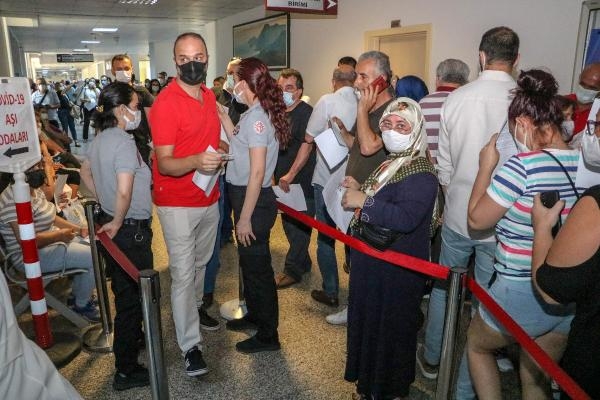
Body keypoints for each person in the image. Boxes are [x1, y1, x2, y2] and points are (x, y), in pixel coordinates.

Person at [466, 69, 580, 399]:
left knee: (476, 346)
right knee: (536, 376)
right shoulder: (585, 162)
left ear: (525, 125)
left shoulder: (522, 167)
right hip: (566, 291)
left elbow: (476, 220)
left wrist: (486, 166)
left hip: (519, 289)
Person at [419, 27, 520, 398]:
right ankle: (492, 356)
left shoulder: (457, 98)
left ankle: (431, 357)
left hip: (460, 213)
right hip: (504, 219)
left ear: (481, 56)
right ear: (516, 60)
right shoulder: (522, 100)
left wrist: (452, 200)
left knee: (446, 287)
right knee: (490, 295)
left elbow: (443, 164)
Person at [342, 98, 438, 400]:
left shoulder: (420, 170)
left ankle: (390, 390)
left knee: (392, 331)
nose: (392, 131)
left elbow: (407, 218)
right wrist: (361, 186)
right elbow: (388, 197)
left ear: (416, 129)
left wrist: (363, 201)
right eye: (387, 124)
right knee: (371, 325)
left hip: (397, 269)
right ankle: (369, 385)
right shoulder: (393, 160)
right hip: (374, 263)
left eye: (401, 126)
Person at [149, 32, 222, 377]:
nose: (192, 63)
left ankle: (193, 308)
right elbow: (164, 163)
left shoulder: (208, 96)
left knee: (201, 263)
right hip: (176, 201)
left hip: (209, 196)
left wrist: (219, 148)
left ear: (207, 58)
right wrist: (195, 160)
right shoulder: (166, 103)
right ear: (175, 61)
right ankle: (190, 346)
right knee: (181, 272)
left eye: (199, 56)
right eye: (184, 58)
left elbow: (210, 136)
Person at [80, 82, 154, 391]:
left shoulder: (99, 139)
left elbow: (84, 173)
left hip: (112, 225)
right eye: (136, 107)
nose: (138, 113)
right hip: (128, 230)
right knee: (132, 300)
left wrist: (105, 204)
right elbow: (125, 188)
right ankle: (125, 371)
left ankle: (131, 346)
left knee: (124, 293)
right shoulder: (123, 142)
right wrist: (119, 216)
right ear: (121, 109)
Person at [218, 57, 291, 353]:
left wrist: (245, 217)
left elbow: (258, 172)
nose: (231, 84)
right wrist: (221, 114)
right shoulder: (252, 114)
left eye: (235, 78)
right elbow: (238, 140)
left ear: (245, 83)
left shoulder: (258, 118)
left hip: (254, 202)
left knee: (259, 271)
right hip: (246, 197)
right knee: (250, 266)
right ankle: (256, 316)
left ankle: (268, 334)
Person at [0, 164, 98, 322]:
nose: (39, 169)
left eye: (38, 165)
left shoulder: (31, 189)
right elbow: (28, 241)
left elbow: (51, 216)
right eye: (32, 168)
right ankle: (81, 305)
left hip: (49, 242)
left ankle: (80, 296)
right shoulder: (11, 200)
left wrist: (80, 230)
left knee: (94, 244)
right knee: (94, 256)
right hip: (28, 256)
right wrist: (58, 236)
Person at [273, 68, 315, 288]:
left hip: (301, 180)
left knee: (298, 225)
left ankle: (292, 270)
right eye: (280, 88)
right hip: (282, 180)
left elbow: (306, 148)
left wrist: (290, 175)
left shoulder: (306, 113)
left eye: (288, 88)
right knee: (288, 224)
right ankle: (303, 262)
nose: (283, 92)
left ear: (299, 91)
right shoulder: (280, 112)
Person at [111, 54, 155, 166]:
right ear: (113, 71)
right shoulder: (107, 93)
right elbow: (100, 119)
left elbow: (152, 121)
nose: (123, 72)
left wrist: (154, 146)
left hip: (141, 145)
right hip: (116, 145)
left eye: (126, 68)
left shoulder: (142, 92)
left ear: (132, 69)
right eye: (119, 69)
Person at [55, 82, 80, 147]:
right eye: (60, 86)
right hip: (62, 112)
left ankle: (76, 141)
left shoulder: (65, 94)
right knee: (65, 128)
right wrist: (72, 84)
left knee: (72, 127)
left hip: (68, 111)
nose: (61, 86)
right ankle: (66, 142)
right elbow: (66, 89)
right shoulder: (58, 93)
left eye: (61, 85)